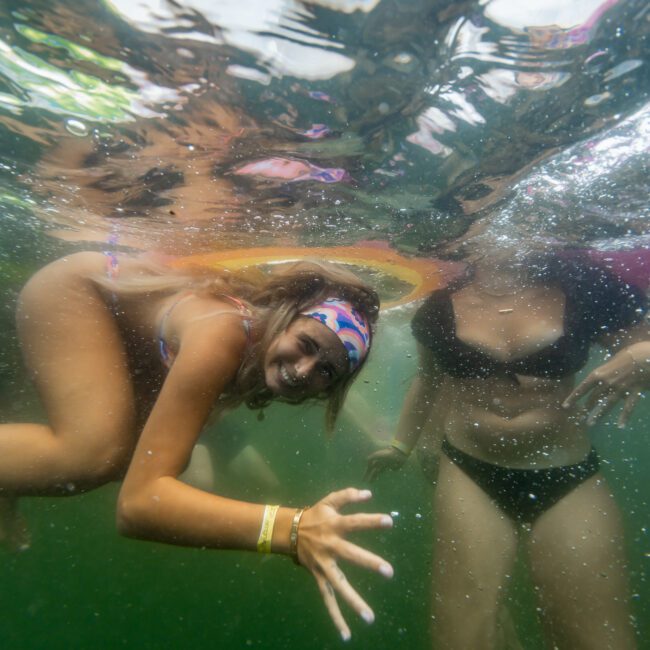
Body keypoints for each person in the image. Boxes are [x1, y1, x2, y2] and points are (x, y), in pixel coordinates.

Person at [0, 250, 394, 641]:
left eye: (326, 370)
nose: (304, 370)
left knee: (137, 456)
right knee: (93, 455)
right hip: (79, 293)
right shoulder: (223, 336)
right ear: (284, 320)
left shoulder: (260, 350)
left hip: (128, 328)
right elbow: (138, 506)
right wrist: (291, 530)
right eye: (307, 344)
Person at [367, 235, 649, 649]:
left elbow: (642, 341)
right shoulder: (437, 308)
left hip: (567, 473)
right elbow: (428, 381)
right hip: (470, 470)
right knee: (460, 637)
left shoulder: (584, 290)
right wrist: (400, 446)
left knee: (597, 638)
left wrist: (643, 356)